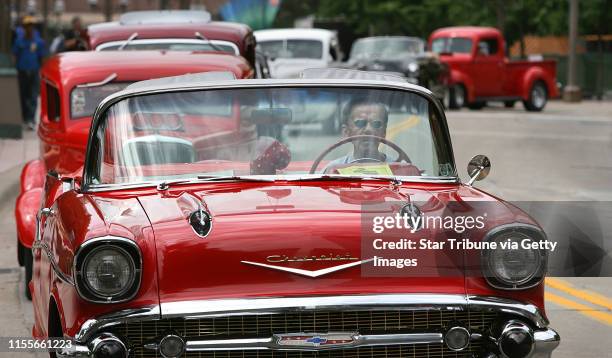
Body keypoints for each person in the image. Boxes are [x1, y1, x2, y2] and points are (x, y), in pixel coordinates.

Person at [324, 98, 390, 171]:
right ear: (347, 132)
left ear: (384, 132)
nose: (368, 129)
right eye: (360, 123)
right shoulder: (333, 170)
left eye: (376, 124)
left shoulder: (399, 169)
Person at [12, 16, 46, 129]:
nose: (29, 29)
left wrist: (41, 71)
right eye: (27, 26)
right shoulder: (19, 41)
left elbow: (42, 57)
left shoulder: (38, 42)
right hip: (22, 71)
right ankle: (24, 118)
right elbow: (15, 56)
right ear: (24, 28)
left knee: (33, 96)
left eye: (31, 26)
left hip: (34, 71)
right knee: (23, 95)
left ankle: (31, 119)